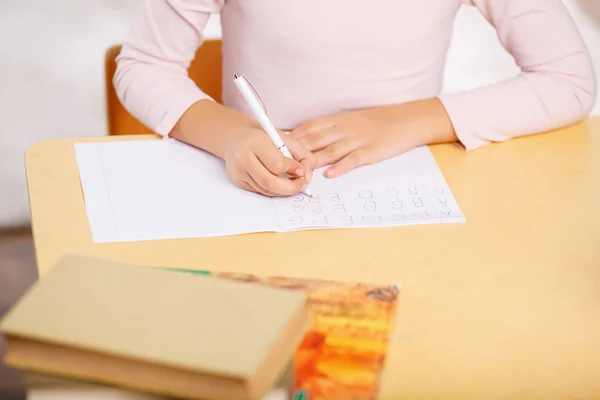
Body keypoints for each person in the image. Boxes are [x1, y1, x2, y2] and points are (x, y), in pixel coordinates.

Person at [114, 0, 596, 197]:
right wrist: (232, 137)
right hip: (256, 194)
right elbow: (144, 65)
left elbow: (568, 80)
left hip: (404, 199)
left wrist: (410, 120)